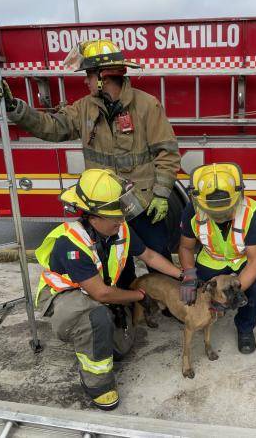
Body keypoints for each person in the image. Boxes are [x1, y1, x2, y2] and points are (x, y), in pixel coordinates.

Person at [0, 39, 180, 289]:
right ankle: (125, 307)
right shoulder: (84, 108)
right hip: (103, 205)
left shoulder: (146, 105)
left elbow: (167, 152)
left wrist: (161, 194)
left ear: (103, 77)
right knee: (115, 259)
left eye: (89, 75)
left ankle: (170, 304)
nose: (85, 81)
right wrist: (15, 108)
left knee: (156, 253)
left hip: (142, 203)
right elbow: (52, 127)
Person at [33, 168, 183, 411]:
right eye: (114, 217)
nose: (121, 221)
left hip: (98, 292)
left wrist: (182, 274)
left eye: (121, 216)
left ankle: (96, 338)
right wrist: (139, 296)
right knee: (96, 319)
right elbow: (101, 293)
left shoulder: (119, 230)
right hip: (67, 300)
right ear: (93, 218)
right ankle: (97, 384)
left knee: (121, 348)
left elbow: (150, 255)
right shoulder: (70, 243)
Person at [177, 163, 256, 354]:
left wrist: (233, 294)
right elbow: (185, 247)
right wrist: (189, 275)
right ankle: (203, 318)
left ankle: (245, 328)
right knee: (198, 291)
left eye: (225, 211)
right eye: (214, 212)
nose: (220, 216)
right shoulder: (192, 210)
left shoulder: (252, 213)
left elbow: (254, 261)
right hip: (211, 260)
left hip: (242, 261)